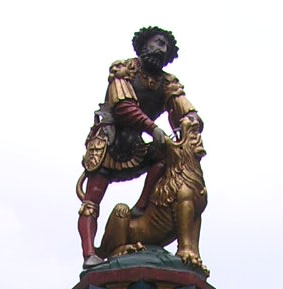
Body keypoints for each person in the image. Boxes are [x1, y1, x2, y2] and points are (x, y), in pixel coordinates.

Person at [78, 27, 201, 266]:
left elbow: (185, 110)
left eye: (165, 47)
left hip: (136, 146)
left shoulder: (167, 83)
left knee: (166, 155)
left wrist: (190, 122)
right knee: (92, 200)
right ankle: (89, 253)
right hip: (109, 143)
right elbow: (123, 107)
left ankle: (143, 205)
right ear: (144, 45)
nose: (161, 49)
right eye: (158, 43)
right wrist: (153, 129)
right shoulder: (124, 70)